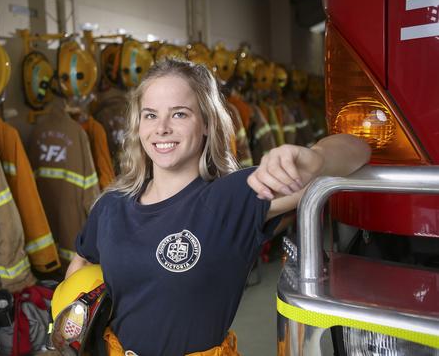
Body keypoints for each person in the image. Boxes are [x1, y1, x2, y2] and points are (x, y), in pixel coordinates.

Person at [65, 59, 371, 356]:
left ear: (208, 124)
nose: (162, 128)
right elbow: (82, 259)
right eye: (150, 115)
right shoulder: (111, 205)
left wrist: (315, 157)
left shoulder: (232, 197)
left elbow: (357, 150)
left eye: (180, 114)